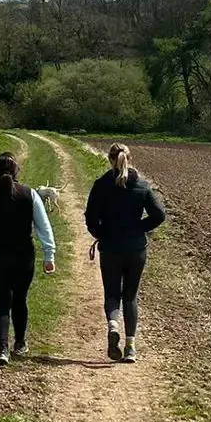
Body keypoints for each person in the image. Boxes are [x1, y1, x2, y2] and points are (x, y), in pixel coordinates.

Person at [0, 151, 56, 367]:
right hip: (23, 255)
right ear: (17, 172)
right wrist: (49, 254)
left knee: (0, 303)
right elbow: (44, 227)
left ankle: (2, 349)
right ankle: (20, 342)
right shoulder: (30, 195)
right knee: (19, 299)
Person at [84, 142, 166, 363]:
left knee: (112, 294)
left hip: (110, 247)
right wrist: (140, 228)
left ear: (110, 160)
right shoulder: (141, 185)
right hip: (136, 248)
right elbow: (159, 215)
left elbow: (90, 217)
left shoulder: (100, 185)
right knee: (130, 297)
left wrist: (100, 232)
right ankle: (130, 347)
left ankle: (113, 326)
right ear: (129, 159)